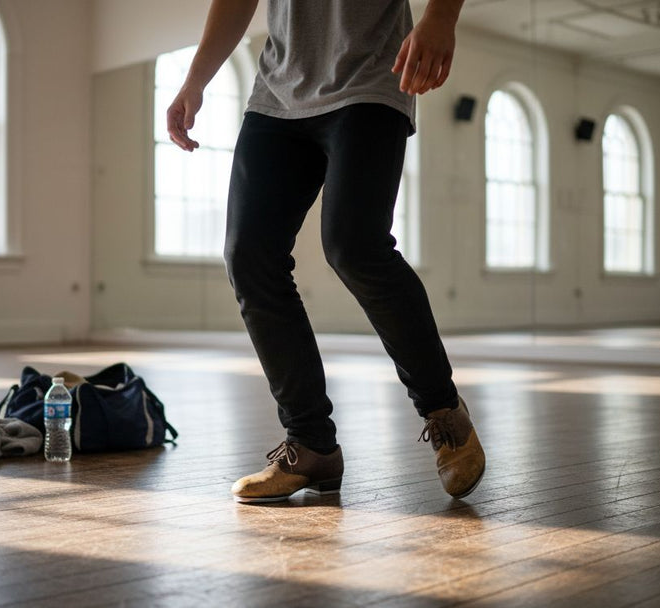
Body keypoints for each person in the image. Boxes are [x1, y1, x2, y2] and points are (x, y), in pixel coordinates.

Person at [166, 0, 485, 503]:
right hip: (277, 93)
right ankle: (311, 443)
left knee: (354, 246)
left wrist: (441, 16)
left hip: (371, 77)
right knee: (249, 256)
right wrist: (195, 79)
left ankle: (443, 410)